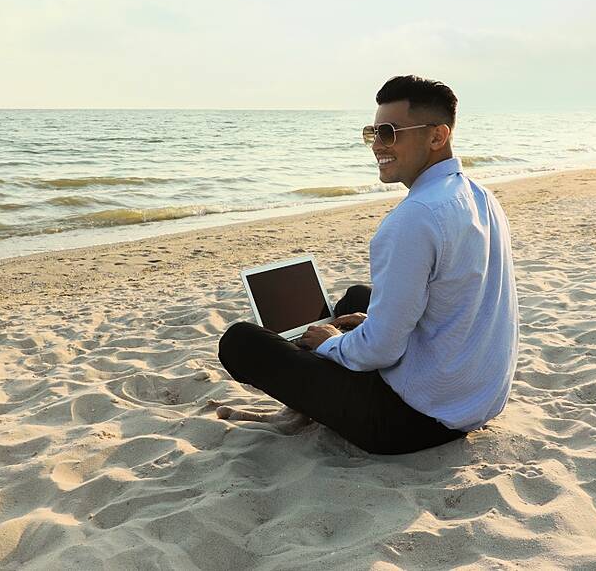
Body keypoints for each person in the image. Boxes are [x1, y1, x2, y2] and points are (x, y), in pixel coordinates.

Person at [216, 75, 518, 455]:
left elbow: (380, 352)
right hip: (476, 398)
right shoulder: (480, 195)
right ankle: (312, 395)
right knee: (355, 300)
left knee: (241, 342)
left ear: (437, 136)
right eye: (372, 133)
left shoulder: (415, 217)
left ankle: (309, 398)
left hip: (415, 421)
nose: (377, 145)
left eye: (389, 133)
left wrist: (332, 345)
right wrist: (363, 330)